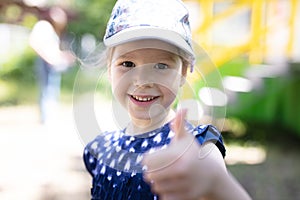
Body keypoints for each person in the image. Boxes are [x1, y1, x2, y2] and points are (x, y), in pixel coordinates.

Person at [83, 0, 252, 199]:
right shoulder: (101, 150)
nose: (143, 81)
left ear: (183, 73)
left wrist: (216, 182)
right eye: (127, 63)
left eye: (161, 66)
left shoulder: (197, 148)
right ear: (109, 69)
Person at [29, 6, 75, 124]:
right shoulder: (43, 25)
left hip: (54, 65)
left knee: (53, 89)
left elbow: (53, 50)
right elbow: (34, 43)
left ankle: (50, 116)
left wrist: (64, 56)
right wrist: (48, 59)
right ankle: (46, 119)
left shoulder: (54, 30)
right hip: (46, 63)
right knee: (46, 90)